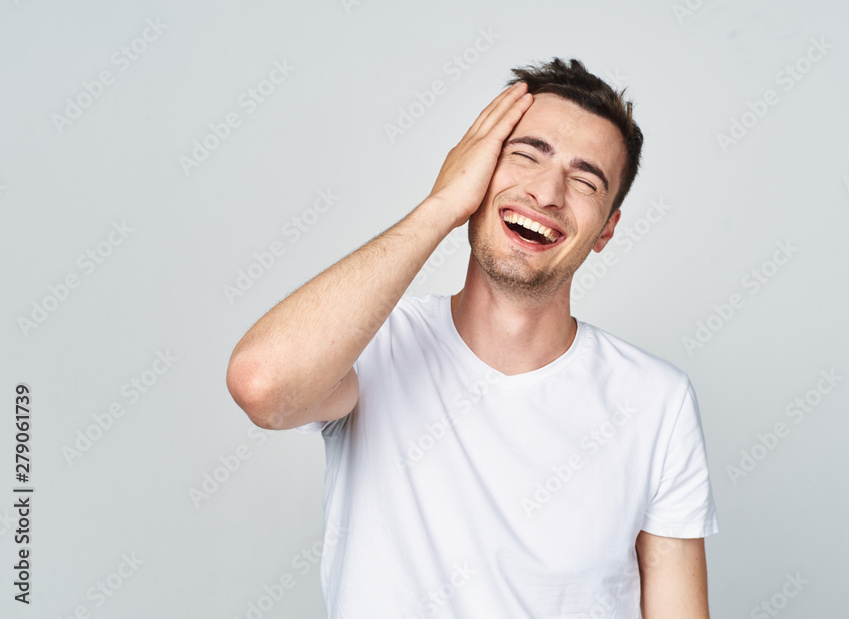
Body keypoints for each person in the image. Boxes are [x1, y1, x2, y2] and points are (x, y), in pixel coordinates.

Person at [226, 57, 720, 618]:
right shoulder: (375, 346)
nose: (548, 192)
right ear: (475, 171)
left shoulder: (657, 400)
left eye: (585, 181)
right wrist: (441, 205)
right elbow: (262, 386)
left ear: (606, 228)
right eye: (525, 155)